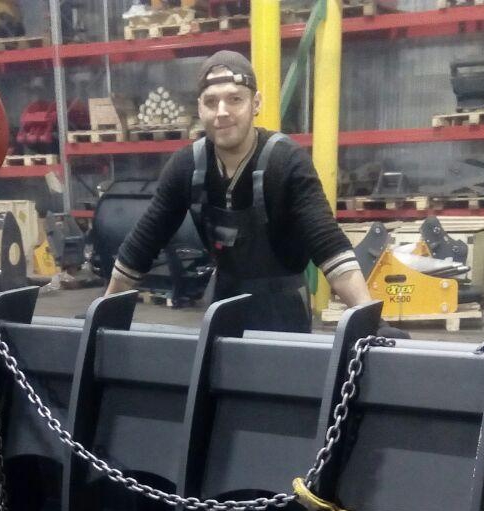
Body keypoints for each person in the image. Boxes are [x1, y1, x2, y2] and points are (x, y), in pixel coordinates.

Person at [105, 51, 371, 332]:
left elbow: (329, 247)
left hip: (284, 312)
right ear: (200, 108)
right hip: (223, 305)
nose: (222, 112)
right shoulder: (187, 166)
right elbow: (142, 245)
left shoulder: (286, 162)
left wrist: (370, 323)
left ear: (255, 103)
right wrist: (106, 316)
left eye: (235, 99)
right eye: (211, 102)